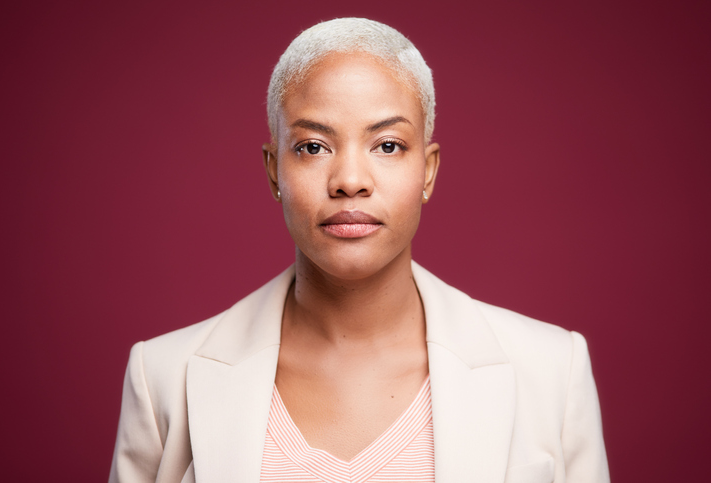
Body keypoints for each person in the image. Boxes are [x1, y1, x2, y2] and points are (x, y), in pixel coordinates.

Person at [109, 18, 609, 483]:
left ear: (428, 171)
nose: (350, 181)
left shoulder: (550, 371)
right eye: (312, 147)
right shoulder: (164, 377)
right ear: (272, 172)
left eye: (388, 145)